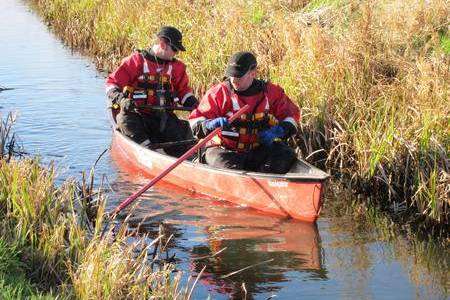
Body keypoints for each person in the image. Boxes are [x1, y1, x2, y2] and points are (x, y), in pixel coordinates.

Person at [189, 51, 300, 174]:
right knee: (230, 172)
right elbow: (195, 121)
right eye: (231, 75)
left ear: (253, 73)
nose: (234, 80)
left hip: (257, 149)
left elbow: (291, 116)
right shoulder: (219, 93)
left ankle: (265, 177)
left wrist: (280, 130)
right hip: (224, 150)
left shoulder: (271, 93)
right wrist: (209, 125)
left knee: (286, 154)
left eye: (239, 76)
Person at [106, 26, 198, 157]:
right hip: (137, 114)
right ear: (163, 44)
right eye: (175, 49)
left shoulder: (177, 68)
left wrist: (195, 105)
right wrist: (121, 100)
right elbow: (111, 83)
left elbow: (183, 92)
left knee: (181, 139)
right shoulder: (136, 61)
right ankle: (147, 149)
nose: (176, 53)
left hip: (163, 117)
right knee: (125, 120)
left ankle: (182, 158)